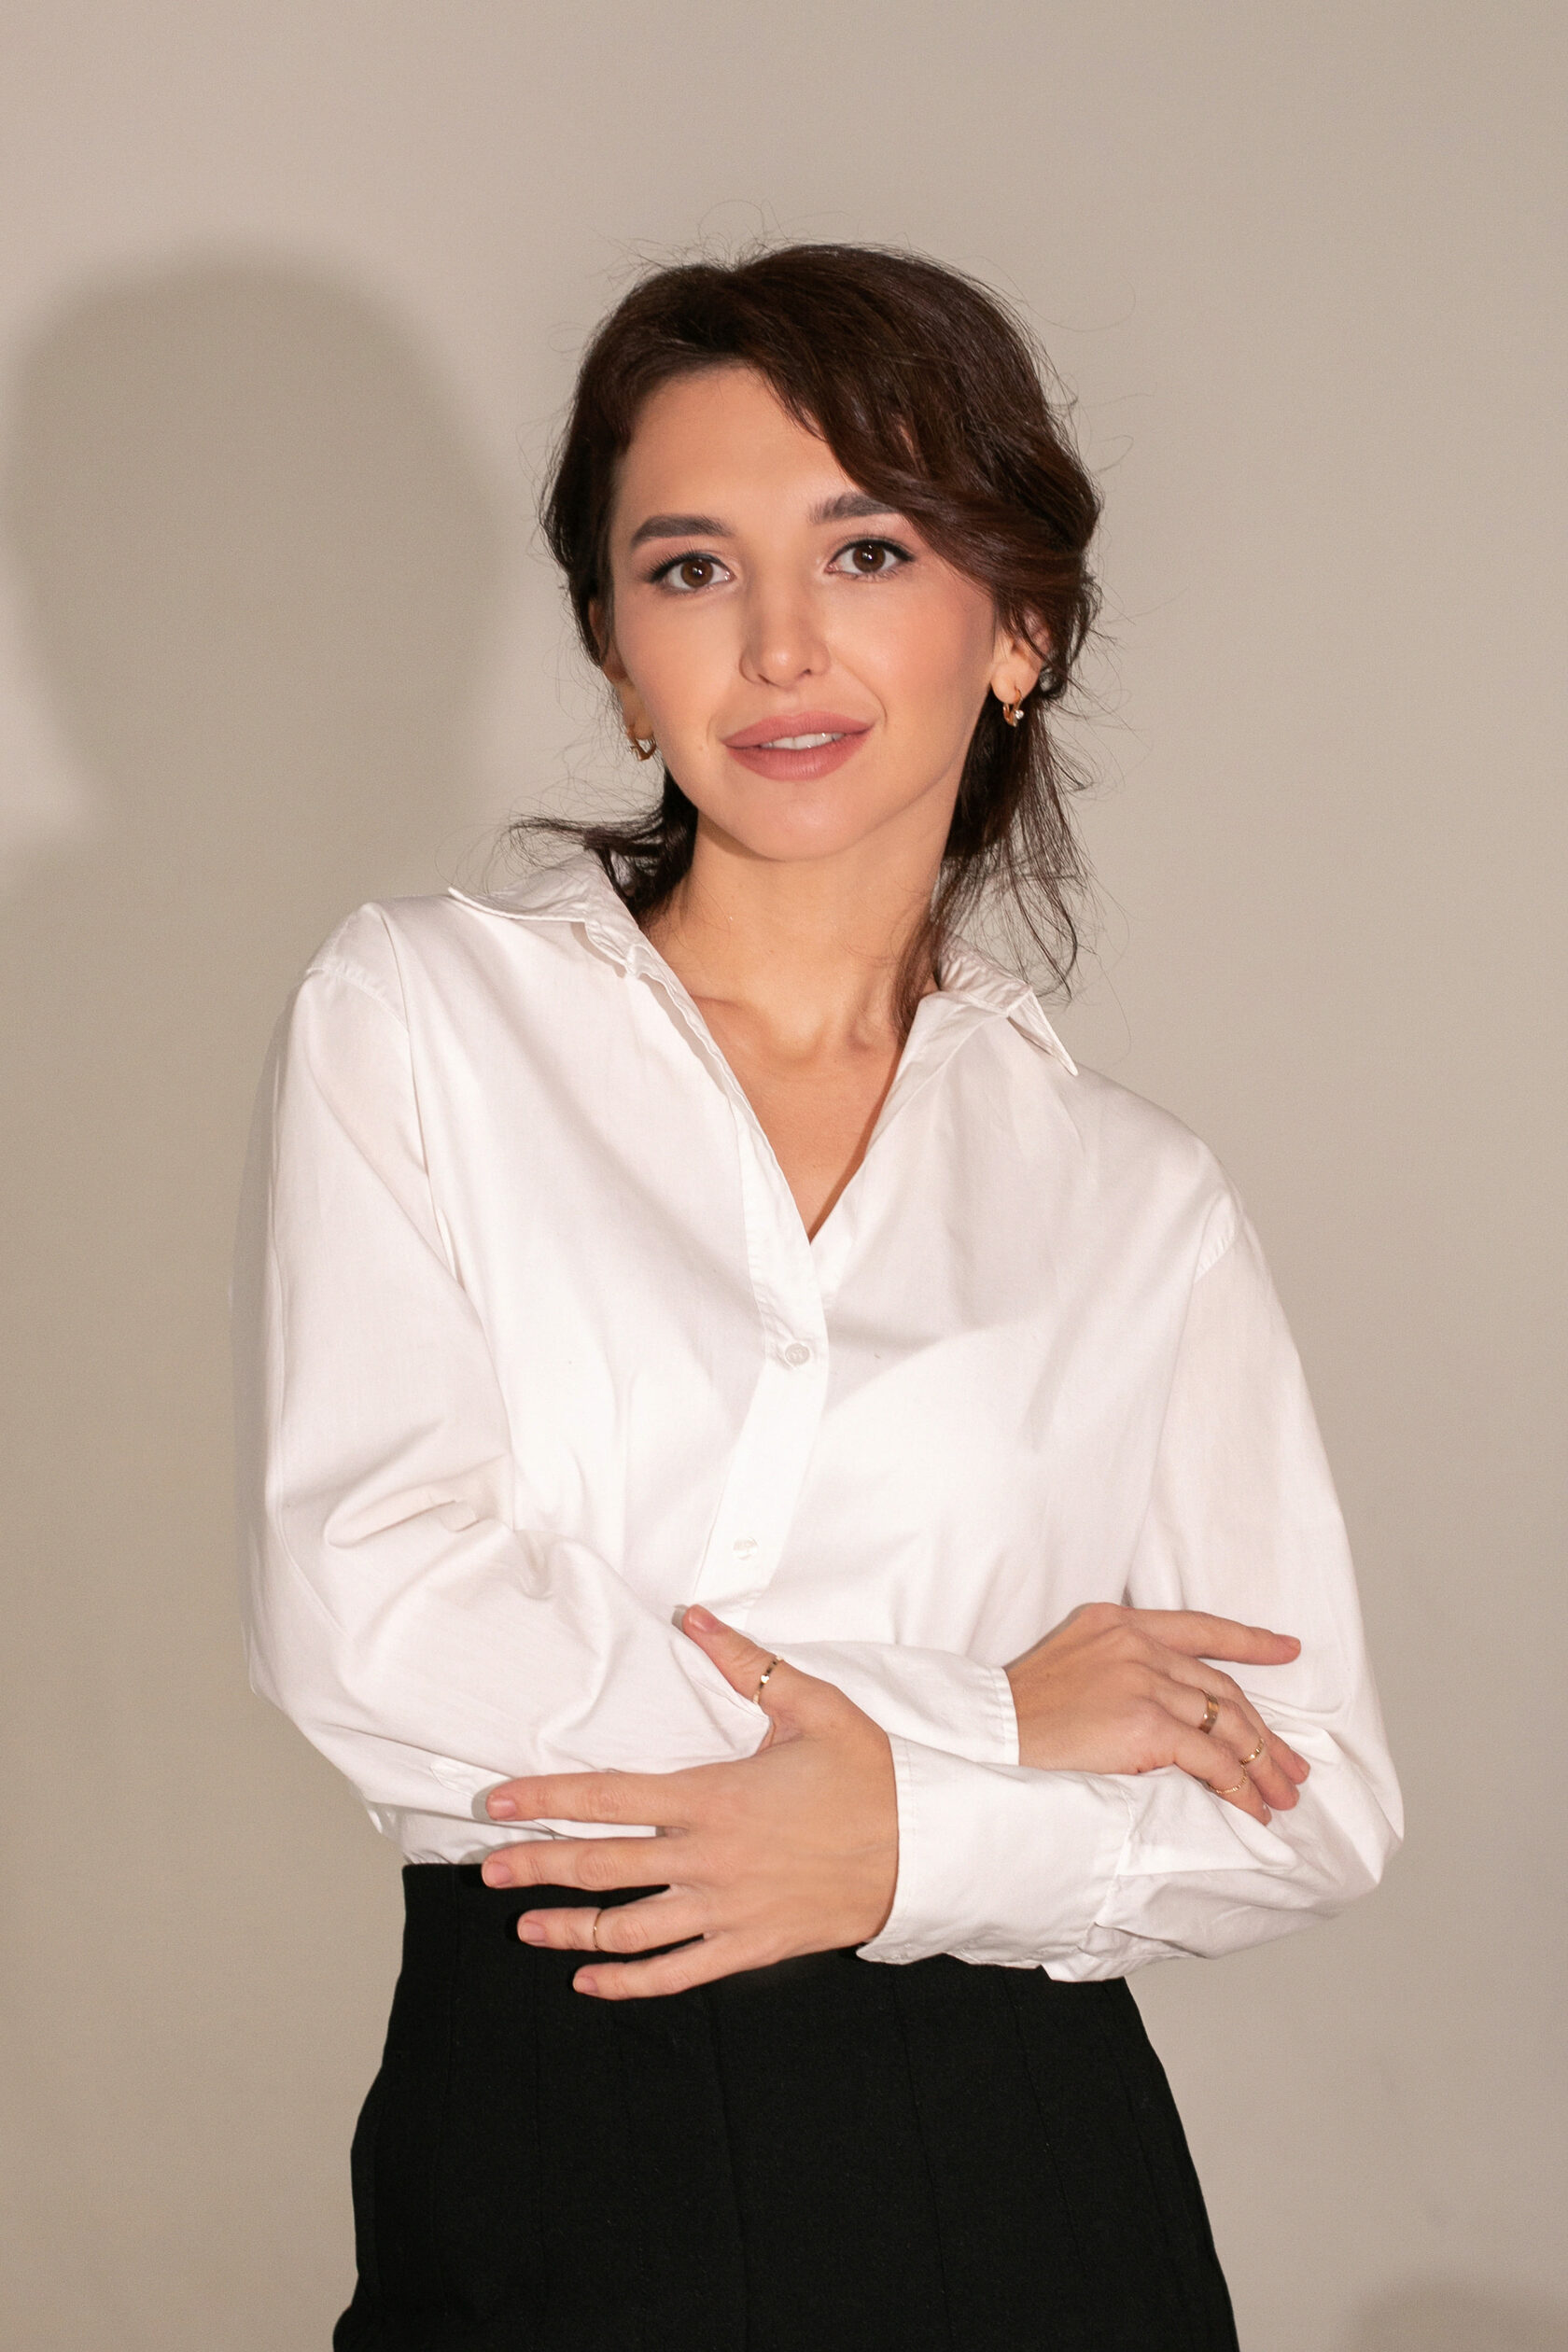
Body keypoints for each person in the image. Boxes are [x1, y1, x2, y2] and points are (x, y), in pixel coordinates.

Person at [233, 243, 1402, 2350]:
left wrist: (902, 1851)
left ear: (1018, 625)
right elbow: (374, 1613)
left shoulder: (1135, 1200)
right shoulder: (420, 1020)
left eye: (866, 549)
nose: (779, 641)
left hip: (1020, 2158)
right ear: (616, 654)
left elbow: (1308, 1795)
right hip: (550, 2121)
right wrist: (994, 1724)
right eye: (689, 568)